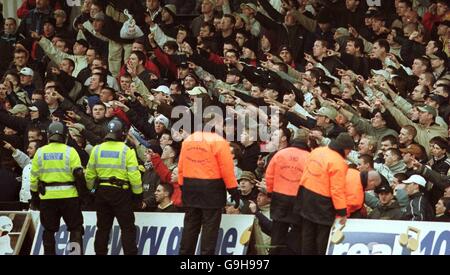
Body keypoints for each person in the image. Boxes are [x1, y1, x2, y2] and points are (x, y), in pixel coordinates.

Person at [178, 114, 240, 255]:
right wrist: (233, 190)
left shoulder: (189, 140)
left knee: (190, 226)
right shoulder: (219, 142)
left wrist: (182, 186)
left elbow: (181, 166)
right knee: (210, 229)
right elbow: (227, 169)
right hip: (212, 189)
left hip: (190, 186)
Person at [85, 118, 143, 255]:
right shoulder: (126, 150)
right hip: (121, 193)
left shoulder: (96, 149)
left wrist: (91, 190)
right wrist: (138, 195)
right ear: (122, 134)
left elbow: (89, 175)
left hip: (102, 192)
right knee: (127, 228)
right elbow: (134, 176)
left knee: (103, 228)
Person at [30, 121, 84, 255]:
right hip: (69, 196)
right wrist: (83, 196)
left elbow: (33, 179)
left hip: (48, 197)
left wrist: (34, 196)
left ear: (49, 135)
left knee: (48, 231)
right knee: (75, 229)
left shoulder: (40, 152)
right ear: (65, 136)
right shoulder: (70, 151)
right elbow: (79, 175)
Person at [295, 132, 354, 255]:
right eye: (349, 151)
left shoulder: (317, 151)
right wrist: (342, 211)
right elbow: (337, 189)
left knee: (307, 235)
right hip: (322, 202)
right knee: (322, 239)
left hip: (305, 195)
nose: (349, 154)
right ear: (346, 149)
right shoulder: (339, 162)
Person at [265, 138, 310, 255]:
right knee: (297, 232)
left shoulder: (280, 154)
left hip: (279, 197)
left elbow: (269, 175)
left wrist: (270, 193)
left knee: (277, 232)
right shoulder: (309, 157)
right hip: (299, 199)